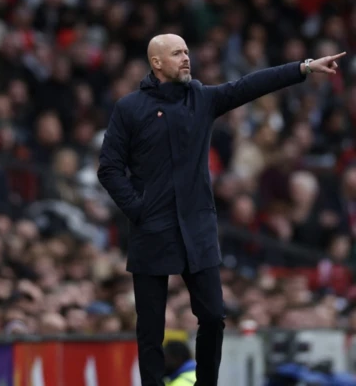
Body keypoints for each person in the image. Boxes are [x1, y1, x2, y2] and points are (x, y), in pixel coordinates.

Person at [97, 33, 345, 386]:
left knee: (213, 316)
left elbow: (249, 85)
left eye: (186, 51)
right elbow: (108, 167)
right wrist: (137, 209)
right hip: (153, 229)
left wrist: (302, 68)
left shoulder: (202, 98)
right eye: (177, 53)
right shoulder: (129, 108)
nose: (186, 57)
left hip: (197, 228)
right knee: (150, 326)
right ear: (156, 63)